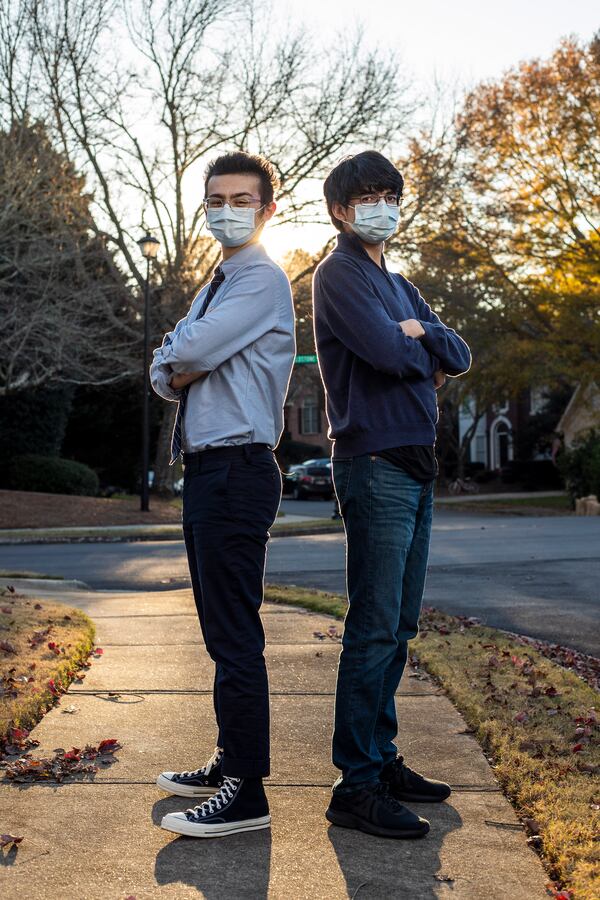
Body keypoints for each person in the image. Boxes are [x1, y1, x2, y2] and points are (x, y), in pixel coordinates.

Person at [312, 150, 471, 839]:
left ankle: (382, 756)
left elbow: (457, 355)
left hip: (415, 461)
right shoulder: (338, 274)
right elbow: (386, 354)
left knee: (401, 623)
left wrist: (425, 333)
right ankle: (356, 783)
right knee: (374, 625)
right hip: (373, 462)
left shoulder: (402, 285)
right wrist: (417, 350)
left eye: (389, 193)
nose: (382, 205)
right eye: (366, 196)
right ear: (342, 211)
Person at [150, 151, 295, 838]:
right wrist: (177, 354)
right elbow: (169, 362)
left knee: (235, 635)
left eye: (242, 199)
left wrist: (178, 354)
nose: (227, 210)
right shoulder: (220, 284)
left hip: (237, 467)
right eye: (216, 199)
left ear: (268, 210)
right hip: (210, 469)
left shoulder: (261, 279)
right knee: (219, 632)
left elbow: (186, 354)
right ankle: (228, 760)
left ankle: (247, 792)